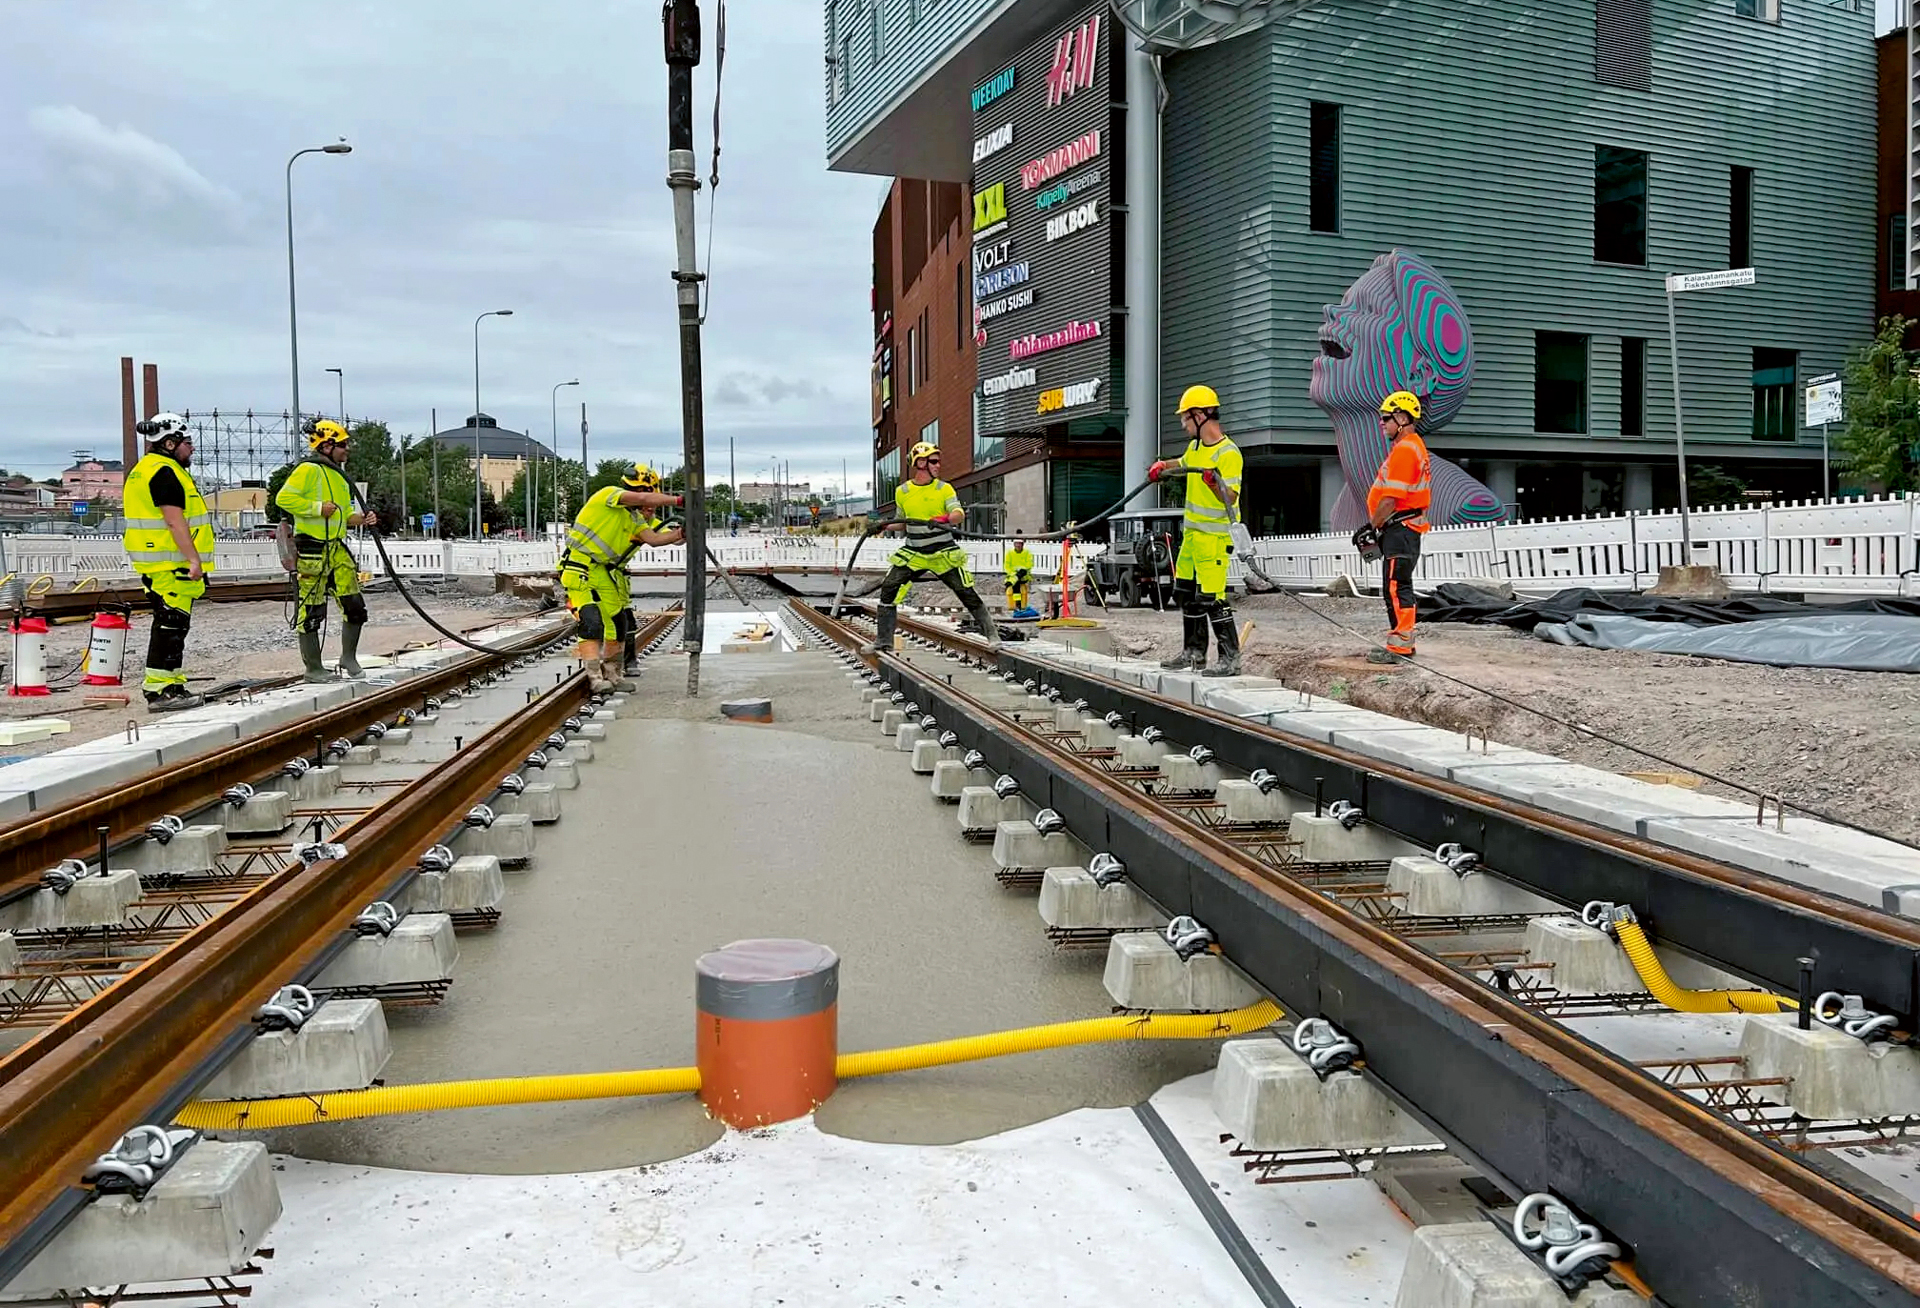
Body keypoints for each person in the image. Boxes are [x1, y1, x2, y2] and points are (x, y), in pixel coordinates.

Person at [863, 441, 997, 654]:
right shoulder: (902, 491)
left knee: (965, 591)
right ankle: (883, 641)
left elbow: (958, 514)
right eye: (933, 461)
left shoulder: (944, 488)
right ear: (920, 463)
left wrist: (944, 518)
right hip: (914, 552)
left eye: (938, 461)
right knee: (889, 587)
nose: (938, 465)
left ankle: (992, 635)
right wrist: (883, 525)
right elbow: (902, 521)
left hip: (942, 552)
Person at [560, 463, 683, 689]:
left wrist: (683, 533)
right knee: (591, 622)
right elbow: (644, 499)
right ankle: (595, 678)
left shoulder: (634, 518)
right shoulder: (608, 495)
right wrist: (679, 500)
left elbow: (654, 539)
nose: (648, 505)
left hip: (603, 571)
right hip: (580, 566)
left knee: (617, 623)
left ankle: (613, 674)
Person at [122, 413, 213, 711]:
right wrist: (193, 559)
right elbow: (175, 521)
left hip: (159, 561)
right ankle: (161, 691)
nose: (192, 448)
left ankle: (171, 685)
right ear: (170, 443)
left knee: (173, 623)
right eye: (187, 443)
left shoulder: (145, 469)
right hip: (170, 562)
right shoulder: (164, 472)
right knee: (170, 624)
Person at [1151, 385, 1244, 677]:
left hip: (1214, 539)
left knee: (1212, 598)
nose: (1183, 424)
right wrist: (1163, 466)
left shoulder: (1228, 453)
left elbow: (1231, 497)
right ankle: (1193, 654)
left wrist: (1214, 483)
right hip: (1192, 537)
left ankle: (1230, 660)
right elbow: (1183, 464)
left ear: (1201, 415)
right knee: (1185, 593)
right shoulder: (1195, 448)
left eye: (1185, 417)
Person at [276, 420, 376, 682]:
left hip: (336, 548)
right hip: (312, 549)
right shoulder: (307, 470)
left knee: (354, 606)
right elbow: (283, 498)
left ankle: (348, 658)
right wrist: (317, 508)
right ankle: (313, 669)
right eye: (342, 444)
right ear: (326, 445)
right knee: (311, 610)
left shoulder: (338, 475)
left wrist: (361, 519)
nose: (347, 449)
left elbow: (342, 514)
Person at [1357, 390, 1432, 662]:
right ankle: (1401, 641)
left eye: (1386, 418)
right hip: (1402, 528)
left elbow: (1390, 499)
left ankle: (1400, 646)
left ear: (1402, 418)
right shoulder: (1411, 447)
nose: (1382, 423)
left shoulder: (1405, 450)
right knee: (1397, 585)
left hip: (1400, 528)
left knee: (1396, 587)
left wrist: (1371, 526)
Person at [1003, 534, 1035, 614]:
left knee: (1019, 577)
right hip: (1013, 575)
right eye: (1016, 544)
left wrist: (1020, 570)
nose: (1018, 546)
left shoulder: (1027, 553)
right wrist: (1014, 573)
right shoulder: (1009, 553)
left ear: (1022, 545)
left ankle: (1018, 604)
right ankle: (1018, 604)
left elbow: (1029, 565)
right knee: (1016, 585)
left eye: (1019, 544)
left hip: (1024, 575)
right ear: (1014, 544)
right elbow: (1007, 566)